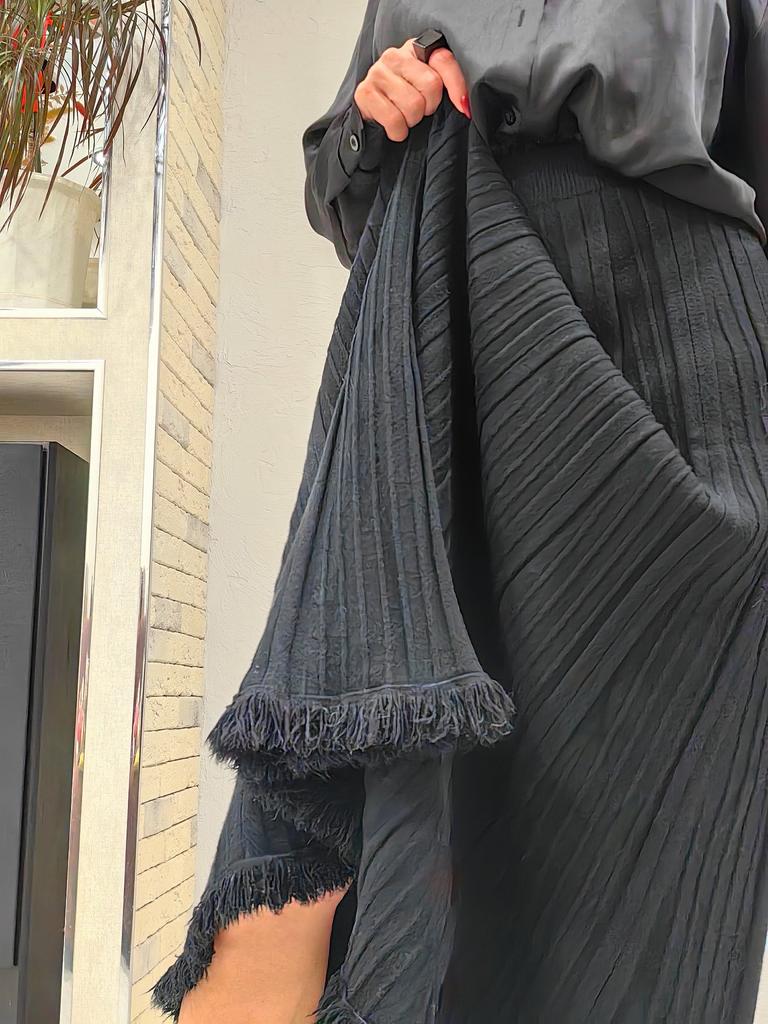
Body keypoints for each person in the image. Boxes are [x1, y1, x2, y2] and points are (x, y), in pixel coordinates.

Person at [156, 2, 768, 1022]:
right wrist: (376, 114)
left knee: (650, 894)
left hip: (686, 408)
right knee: (338, 826)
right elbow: (337, 187)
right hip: (456, 360)